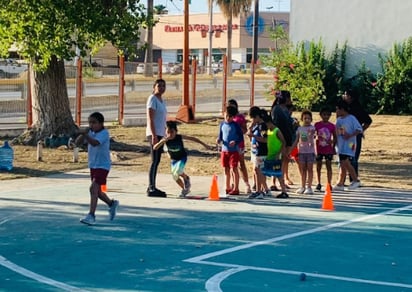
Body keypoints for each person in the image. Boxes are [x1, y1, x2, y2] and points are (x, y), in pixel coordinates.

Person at [75, 112, 119, 226]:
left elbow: (95, 143)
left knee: (93, 188)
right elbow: (77, 143)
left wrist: (86, 135)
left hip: (103, 165)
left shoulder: (104, 133)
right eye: (90, 122)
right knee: (98, 192)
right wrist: (82, 134)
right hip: (93, 165)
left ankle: (91, 215)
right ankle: (111, 203)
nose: (91, 125)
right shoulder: (90, 132)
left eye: (94, 122)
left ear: (100, 123)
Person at [153, 121, 212, 198]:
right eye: (168, 132)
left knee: (178, 171)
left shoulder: (179, 137)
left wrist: (205, 145)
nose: (170, 134)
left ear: (176, 131)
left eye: (172, 132)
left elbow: (193, 139)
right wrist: (162, 141)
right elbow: (155, 147)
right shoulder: (165, 139)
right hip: (174, 160)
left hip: (182, 158)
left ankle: (186, 178)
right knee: (175, 176)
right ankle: (185, 189)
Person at [342, 89, 372, 180]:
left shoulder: (357, 108)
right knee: (344, 156)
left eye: (345, 94)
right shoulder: (344, 107)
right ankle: (344, 179)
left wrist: (360, 130)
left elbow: (368, 121)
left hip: (354, 137)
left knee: (353, 157)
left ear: (350, 97)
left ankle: (354, 179)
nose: (344, 96)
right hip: (345, 135)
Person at [333, 100, 363, 191]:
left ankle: (355, 179)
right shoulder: (338, 120)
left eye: (337, 109)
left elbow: (359, 129)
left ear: (342, 109)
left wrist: (350, 135)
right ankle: (340, 182)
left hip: (349, 145)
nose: (336, 111)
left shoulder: (351, 118)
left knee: (346, 162)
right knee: (342, 163)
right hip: (341, 145)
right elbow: (337, 132)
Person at [146, 79, 168, 197]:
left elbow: (163, 119)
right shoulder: (152, 99)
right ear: (154, 87)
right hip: (154, 134)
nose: (161, 88)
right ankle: (151, 187)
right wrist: (154, 135)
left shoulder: (162, 101)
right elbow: (151, 118)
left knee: (157, 160)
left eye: (163, 86)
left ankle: (152, 185)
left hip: (161, 133)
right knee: (154, 160)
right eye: (159, 85)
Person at [217, 106, 244, 196]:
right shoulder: (222, 125)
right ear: (224, 114)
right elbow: (220, 136)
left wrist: (235, 142)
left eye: (230, 117)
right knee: (226, 169)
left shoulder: (235, 125)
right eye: (227, 116)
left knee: (234, 168)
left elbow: (240, 137)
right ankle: (227, 186)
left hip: (234, 151)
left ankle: (236, 188)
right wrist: (219, 140)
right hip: (224, 150)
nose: (228, 118)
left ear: (233, 117)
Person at [262, 111, 289, 198]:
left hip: (276, 156)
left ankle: (284, 191)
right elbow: (267, 140)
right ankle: (264, 189)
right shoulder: (269, 131)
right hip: (269, 155)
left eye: (266, 125)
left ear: (269, 123)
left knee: (278, 174)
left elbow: (283, 142)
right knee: (263, 172)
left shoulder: (277, 130)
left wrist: (279, 153)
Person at [227, 99, 252, 194]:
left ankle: (246, 184)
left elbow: (245, 130)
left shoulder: (239, 117)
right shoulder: (227, 117)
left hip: (238, 144)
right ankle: (233, 183)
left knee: (241, 164)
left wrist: (238, 128)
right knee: (231, 165)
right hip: (229, 145)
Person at [270, 90, 294, 187]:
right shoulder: (276, 109)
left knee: (285, 159)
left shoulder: (286, 109)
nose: (290, 100)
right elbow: (275, 123)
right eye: (288, 97)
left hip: (288, 136)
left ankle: (282, 180)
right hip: (279, 137)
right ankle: (273, 182)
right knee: (277, 160)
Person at [247, 107, 270, 199]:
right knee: (256, 170)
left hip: (262, 151)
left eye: (252, 118)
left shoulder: (262, 126)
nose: (252, 120)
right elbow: (249, 133)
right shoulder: (256, 125)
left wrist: (254, 136)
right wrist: (251, 127)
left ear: (257, 116)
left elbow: (265, 139)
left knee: (259, 170)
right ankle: (258, 189)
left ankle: (259, 191)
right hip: (256, 151)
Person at [292, 110, 316, 194]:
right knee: (303, 169)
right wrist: (292, 149)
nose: (307, 120)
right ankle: (302, 186)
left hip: (310, 152)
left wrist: (311, 134)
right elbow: (297, 140)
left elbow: (311, 137)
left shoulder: (312, 128)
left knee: (310, 169)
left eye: (309, 118)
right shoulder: (300, 129)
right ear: (302, 119)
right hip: (302, 151)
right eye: (305, 118)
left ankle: (309, 187)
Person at [314, 107, 337, 191]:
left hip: (328, 149)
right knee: (318, 166)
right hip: (319, 149)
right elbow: (313, 134)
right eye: (324, 114)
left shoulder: (332, 126)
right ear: (321, 115)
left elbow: (335, 137)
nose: (326, 116)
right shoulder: (317, 125)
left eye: (328, 115)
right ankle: (318, 182)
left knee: (328, 166)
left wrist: (333, 145)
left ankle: (329, 183)